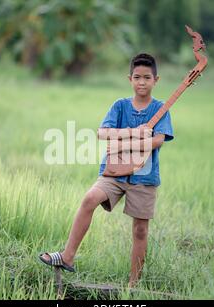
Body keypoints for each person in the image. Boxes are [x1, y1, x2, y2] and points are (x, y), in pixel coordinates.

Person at [39, 53, 174, 287]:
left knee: (140, 230)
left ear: (156, 80)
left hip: (144, 176)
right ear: (129, 78)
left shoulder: (160, 109)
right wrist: (134, 134)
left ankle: (133, 284)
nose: (142, 82)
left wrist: (125, 141)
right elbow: (102, 133)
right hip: (114, 171)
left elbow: (158, 140)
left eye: (147, 78)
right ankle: (68, 256)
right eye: (137, 77)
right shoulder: (120, 106)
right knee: (90, 198)